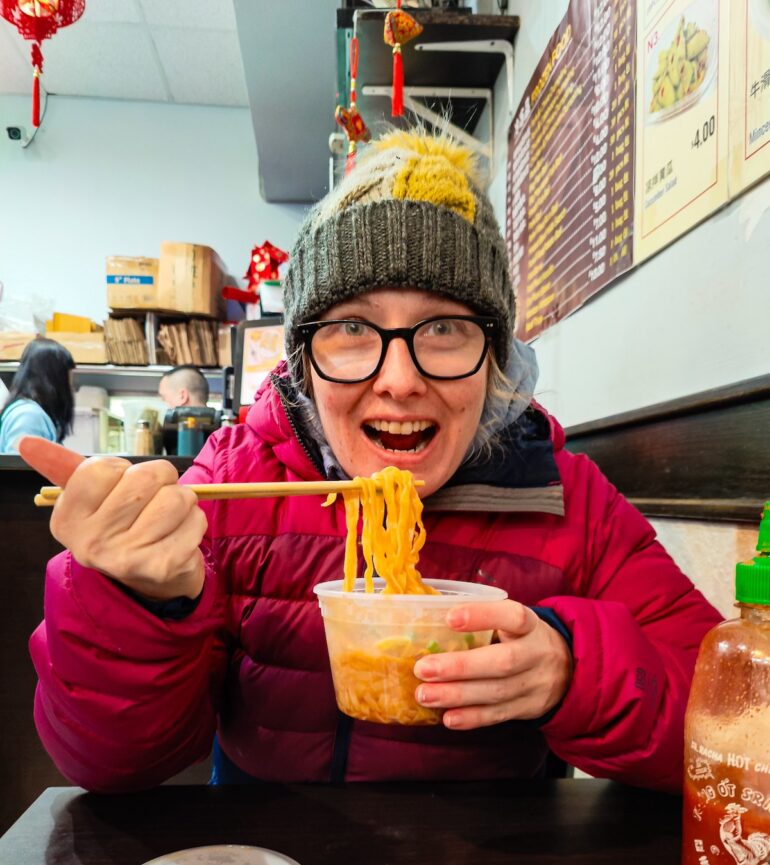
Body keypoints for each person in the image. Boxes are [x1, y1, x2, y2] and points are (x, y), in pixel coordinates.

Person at [26, 129, 720, 795]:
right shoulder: (236, 481)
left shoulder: (564, 495)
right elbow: (108, 764)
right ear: (303, 362)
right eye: (353, 328)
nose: (398, 380)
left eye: (444, 327)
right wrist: (140, 601)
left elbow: (730, 713)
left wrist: (574, 671)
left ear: (498, 357)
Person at [0, 337, 75, 454]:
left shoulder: (29, 413)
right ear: (55, 379)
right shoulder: (29, 416)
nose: (71, 387)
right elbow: (19, 468)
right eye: (68, 379)